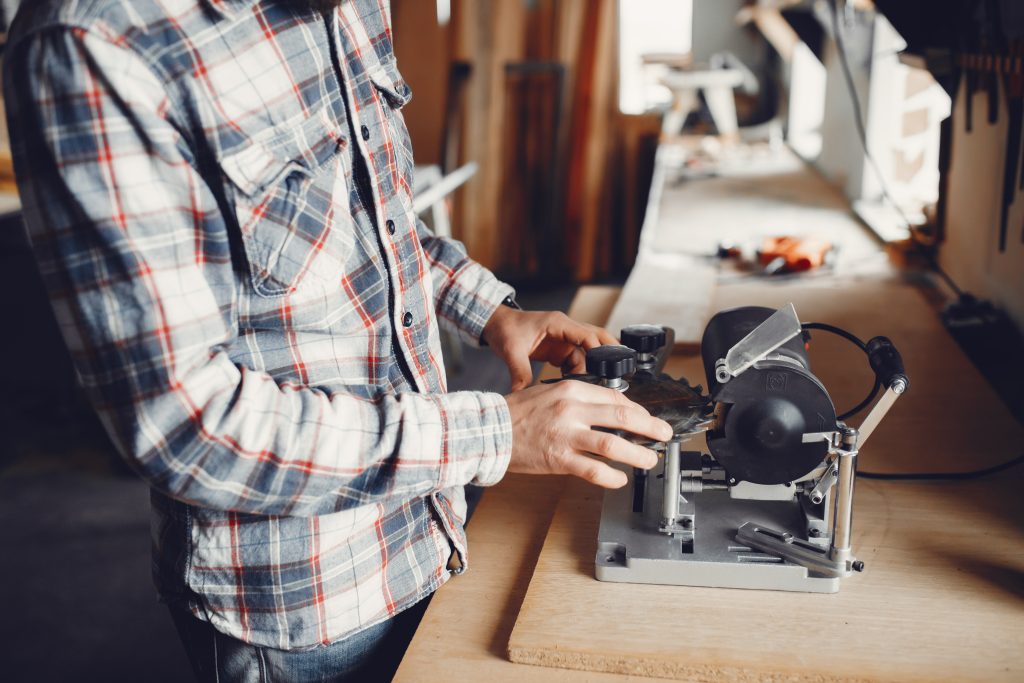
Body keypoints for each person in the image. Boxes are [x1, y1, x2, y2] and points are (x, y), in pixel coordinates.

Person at [4, 0, 672, 680]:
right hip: (300, 608)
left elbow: (366, 215)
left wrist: (489, 310)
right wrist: (495, 432)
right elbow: (187, 425)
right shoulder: (92, 43)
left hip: (425, 534)